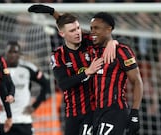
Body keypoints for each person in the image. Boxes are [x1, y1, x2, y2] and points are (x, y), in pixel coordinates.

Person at [28, 4, 118, 135]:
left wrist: (112, 42)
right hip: (73, 113)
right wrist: (87, 71)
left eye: (78, 28)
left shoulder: (88, 40)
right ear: (61, 34)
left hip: (94, 111)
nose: (77, 33)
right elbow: (63, 84)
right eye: (72, 31)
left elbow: (121, 40)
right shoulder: (58, 55)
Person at [89, 12, 143, 135]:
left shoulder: (121, 51)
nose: (92, 31)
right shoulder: (92, 51)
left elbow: (137, 81)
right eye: (91, 28)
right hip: (95, 112)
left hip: (114, 111)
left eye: (96, 28)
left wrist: (134, 113)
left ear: (109, 29)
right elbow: (70, 28)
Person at [0, 41, 50, 135]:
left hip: (23, 120)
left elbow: (47, 85)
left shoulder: (28, 68)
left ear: (19, 54)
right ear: (5, 53)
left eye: (15, 52)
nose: (12, 55)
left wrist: (35, 106)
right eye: (10, 52)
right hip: (3, 120)